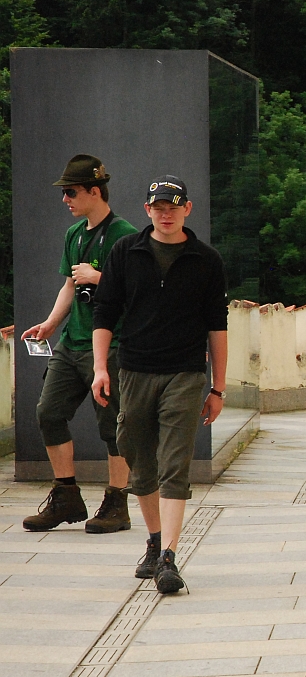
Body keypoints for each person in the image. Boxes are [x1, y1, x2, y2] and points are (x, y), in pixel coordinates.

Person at [91, 177, 229, 594]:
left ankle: (169, 556)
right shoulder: (125, 251)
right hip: (134, 370)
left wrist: (218, 388)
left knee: (174, 462)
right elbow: (105, 311)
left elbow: (217, 326)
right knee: (137, 455)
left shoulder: (206, 259)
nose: (166, 214)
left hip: (185, 373)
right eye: (158, 207)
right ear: (147, 210)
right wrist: (100, 368)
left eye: (173, 207)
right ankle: (154, 541)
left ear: (187, 209)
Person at [21, 155, 137, 534]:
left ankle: (117, 503)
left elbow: (139, 289)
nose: (65, 199)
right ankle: (66, 496)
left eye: (71, 192)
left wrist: (98, 276)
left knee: (112, 426)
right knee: (48, 412)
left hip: (111, 345)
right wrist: (50, 324)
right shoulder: (74, 235)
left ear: (94, 191)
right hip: (72, 343)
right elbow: (70, 285)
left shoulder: (125, 235)